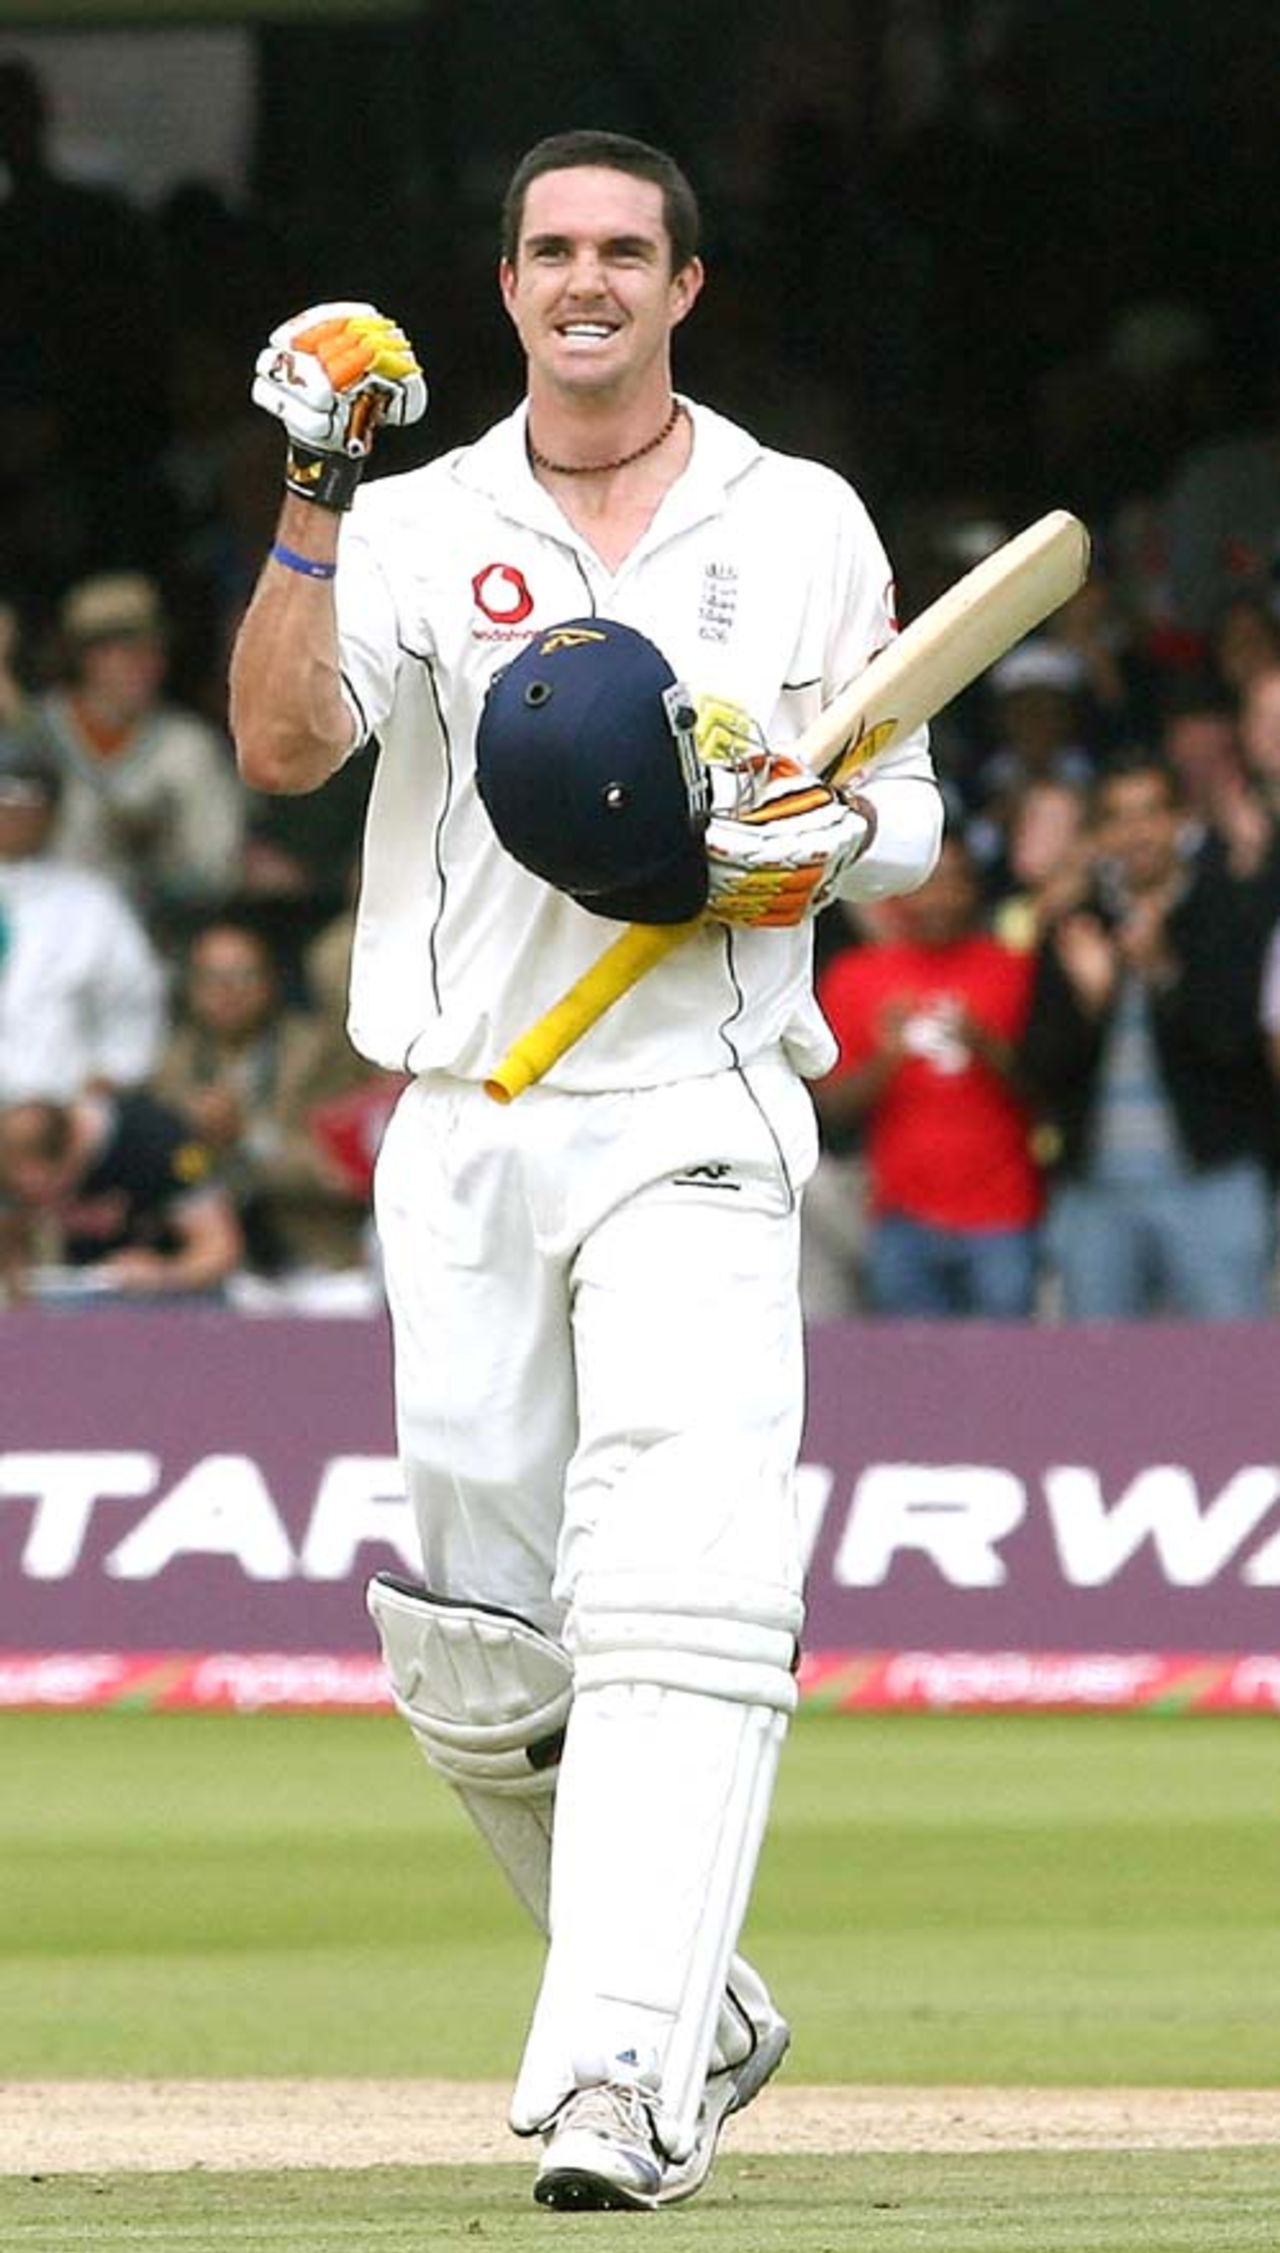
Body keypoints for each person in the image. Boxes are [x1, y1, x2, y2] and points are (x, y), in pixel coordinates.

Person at [229, 128, 942, 2211]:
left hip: (700, 1102)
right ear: (509, 281)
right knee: (475, 1645)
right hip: (463, 1115)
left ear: (684, 286)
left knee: (685, 1590)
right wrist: (310, 484)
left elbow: (893, 805)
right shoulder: (423, 516)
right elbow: (284, 750)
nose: (587, 279)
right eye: (551, 247)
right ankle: (698, 1992)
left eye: (626, 248)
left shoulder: (792, 518)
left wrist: (814, 849)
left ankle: (619, 2078)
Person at [1018, 753, 1277, 1318]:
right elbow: (1038, 1070)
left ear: (1180, 821)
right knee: (1097, 1380)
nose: (1137, 832)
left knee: (1230, 1373)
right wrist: (1091, 1002)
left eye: (1151, 813)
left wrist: (1163, 971)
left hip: (1214, 1179)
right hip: (1094, 1190)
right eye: (1119, 817)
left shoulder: (1228, 908)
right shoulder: (1075, 921)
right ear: (1100, 834)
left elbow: (1239, 1047)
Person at [813, 836, 1043, 1318]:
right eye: (926, 885)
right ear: (902, 891)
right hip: (902, 1218)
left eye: (953, 884)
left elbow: (1046, 1092)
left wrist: (985, 1046)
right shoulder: (856, 976)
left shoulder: (1014, 968)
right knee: (914, 1381)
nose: (939, 898)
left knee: (1011, 1378)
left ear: (973, 891)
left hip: (1003, 1215)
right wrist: (887, 1058)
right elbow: (829, 1108)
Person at [151, 915, 381, 1276]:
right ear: (191, 988)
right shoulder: (170, 1065)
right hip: (208, 1263)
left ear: (273, 981)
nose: (227, 991)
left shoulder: (318, 1055)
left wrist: (247, 1135)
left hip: (315, 1258)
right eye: (212, 979)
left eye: (243, 976)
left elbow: (343, 1171)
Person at [27, 571, 245, 931]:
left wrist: (164, 862)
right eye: (129, 653)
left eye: (154, 651)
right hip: (47, 935)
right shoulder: (34, 736)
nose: (148, 666)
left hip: (159, 937)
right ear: (86, 658)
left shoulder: (188, 747)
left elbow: (217, 871)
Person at [0, 732, 166, 1106]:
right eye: (5, 796)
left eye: (30, 800)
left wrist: (108, 1079)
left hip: (56, 1117)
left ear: (53, 813)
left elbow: (135, 1008)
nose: (14, 813)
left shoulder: (92, 904)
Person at [0, 1087, 242, 1301]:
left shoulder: (160, 1145)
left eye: (44, 1190)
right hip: (84, 1302)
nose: (39, 1203)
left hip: (175, 1301)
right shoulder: (18, 1159)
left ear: (72, 1151)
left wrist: (165, 1275)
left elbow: (221, 1248)